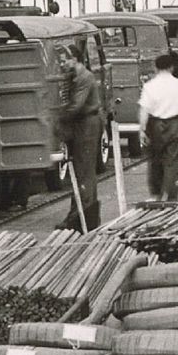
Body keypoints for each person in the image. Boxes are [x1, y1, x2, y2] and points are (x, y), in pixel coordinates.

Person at [138, 51, 178, 200]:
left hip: (155, 125)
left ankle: (156, 195)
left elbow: (144, 109)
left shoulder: (149, 86)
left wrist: (142, 130)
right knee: (173, 161)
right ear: (172, 67)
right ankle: (171, 197)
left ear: (156, 68)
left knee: (155, 160)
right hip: (175, 124)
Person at [57, 48, 105, 228]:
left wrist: (57, 116)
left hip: (87, 125)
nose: (62, 65)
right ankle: (80, 213)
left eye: (64, 61)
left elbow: (76, 106)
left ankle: (82, 215)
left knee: (84, 171)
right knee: (81, 170)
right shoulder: (76, 77)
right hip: (81, 125)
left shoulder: (85, 78)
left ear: (74, 59)